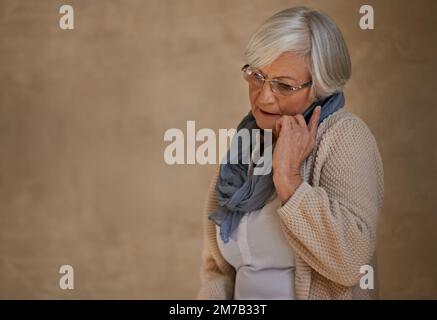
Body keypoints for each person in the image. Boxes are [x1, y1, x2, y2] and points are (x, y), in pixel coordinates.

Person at [197, 6, 384, 300]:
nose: (264, 96)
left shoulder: (345, 136)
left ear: (320, 88)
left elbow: (350, 263)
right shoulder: (244, 145)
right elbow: (217, 269)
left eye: (284, 86)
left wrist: (289, 180)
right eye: (257, 76)